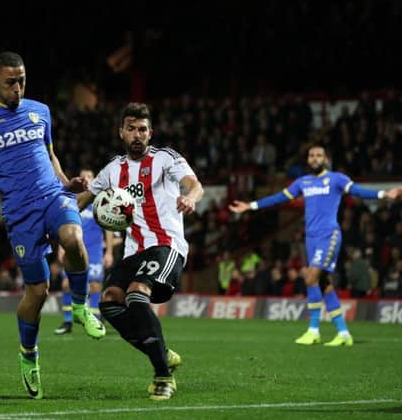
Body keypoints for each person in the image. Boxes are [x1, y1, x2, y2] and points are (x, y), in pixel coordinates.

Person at [0, 51, 105, 400]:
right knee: (38, 290)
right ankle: (28, 355)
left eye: (22, 80)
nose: (17, 88)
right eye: (10, 82)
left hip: (52, 196)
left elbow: (49, 155)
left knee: (73, 236)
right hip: (20, 213)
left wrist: (67, 183)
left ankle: (80, 306)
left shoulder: (41, 111)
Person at [77, 103, 204, 401]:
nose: (137, 135)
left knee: (136, 293)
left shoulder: (165, 159)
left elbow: (194, 184)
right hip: (133, 252)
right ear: (121, 132)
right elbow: (82, 199)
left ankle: (162, 375)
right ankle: (161, 353)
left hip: (166, 245)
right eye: (131, 129)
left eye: (143, 129)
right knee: (109, 301)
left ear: (151, 132)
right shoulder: (112, 170)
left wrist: (191, 198)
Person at [229, 142, 402, 346]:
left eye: (319, 155)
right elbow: (279, 198)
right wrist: (251, 205)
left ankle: (313, 330)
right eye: (311, 155)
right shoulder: (303, 182)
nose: (315, 158)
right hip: (310, 239)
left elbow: (357, 190)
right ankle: (344, 334)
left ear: (326, 159)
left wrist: (384, 194)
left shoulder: (336, 178)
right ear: (308, 160)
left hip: (329, 235)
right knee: (324, 284)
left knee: (310, 276)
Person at [55, 168, 115, 335]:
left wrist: (109, 251)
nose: (86, 178)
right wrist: (61, 247)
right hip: (74, 247)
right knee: (66, 284)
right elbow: (63, 223)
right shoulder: (72, 199)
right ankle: (67, 321)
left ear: (94, 179)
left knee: (95, 286)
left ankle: (94, 320)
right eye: (83, 176)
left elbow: (108, 229)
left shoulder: (100, 201)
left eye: (90, 176)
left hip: (95, 249)